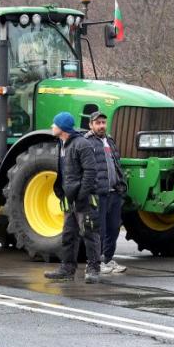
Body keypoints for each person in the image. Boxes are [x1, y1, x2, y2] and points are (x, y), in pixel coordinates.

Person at [45, 111, 103, 283]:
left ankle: (93, 270)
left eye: (54, 124)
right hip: (69, 199)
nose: (52, 127)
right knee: (69, 235)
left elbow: (90, 172)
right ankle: (67, 269)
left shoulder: (81, 144)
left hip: (83, 199)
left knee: (90, 233)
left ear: (62, 127)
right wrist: (62, 193)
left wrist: (81, 195)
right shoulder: (61, 144)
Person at [83, 111, 128, 274]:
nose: (101, 126)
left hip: (114, 192)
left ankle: (108, 259)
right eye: (98, 123)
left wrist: (121, 186)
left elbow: (117, 164)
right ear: (91, 125)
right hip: (98, 194)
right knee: (99, 230)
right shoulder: (86, 143)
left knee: (114, 228)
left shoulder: (109, 140)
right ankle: (98, 261)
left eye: (103, 122)